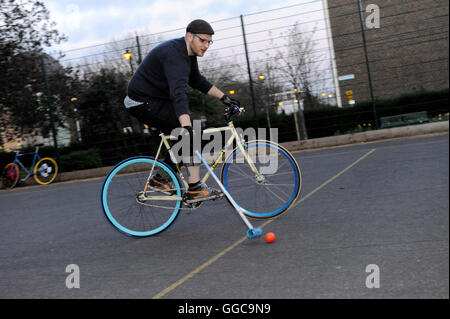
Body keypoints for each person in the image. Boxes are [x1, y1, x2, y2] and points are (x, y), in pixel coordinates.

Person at [124, 19, 241, 203]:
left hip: (155, 99)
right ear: (189, 36)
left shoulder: (188, 54)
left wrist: (224, 98)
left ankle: (160, 179)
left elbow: (196, 80)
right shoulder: (175, 56)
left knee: (185, 136)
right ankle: (194, 188)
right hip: (140, 101)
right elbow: (178, 93)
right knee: (190, 131)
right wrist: (186, 125)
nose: (206, 46)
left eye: (209, 42)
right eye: (202, 40)